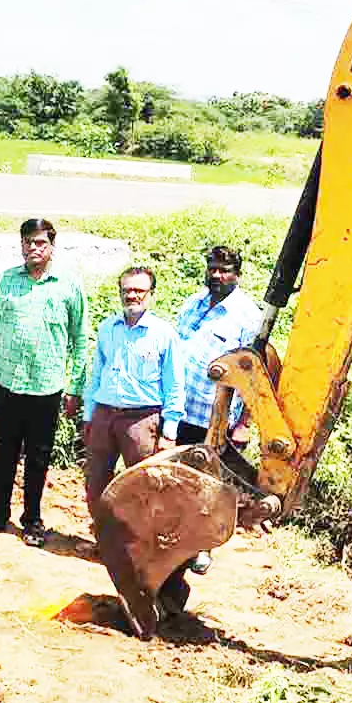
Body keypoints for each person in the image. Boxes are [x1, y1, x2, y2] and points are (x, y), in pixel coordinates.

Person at [0, 218, 88, 547]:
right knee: (3, 452)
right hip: (6, 385)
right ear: (21, 245)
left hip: (46, 389)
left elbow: (80, 339)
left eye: (40, 243)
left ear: (52, 247)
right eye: (28, 242)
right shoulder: (4, 282)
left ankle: (32, 520)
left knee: (38, 456)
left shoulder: (68, 286)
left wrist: (74, 387)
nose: (34, 248)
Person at [170, 245, 262, 574]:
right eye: (212, 268)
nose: (217, 275)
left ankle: (202, 547)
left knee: (208, 483)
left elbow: (255, 373)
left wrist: (244, 422)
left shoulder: (248, 316)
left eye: (224, 270)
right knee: (175, 479)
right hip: (177, 408)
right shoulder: (192, 303)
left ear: (237, 274)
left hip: (213, 416)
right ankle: (172, 541)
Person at [81, 267, 185, 508]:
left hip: (142, 421)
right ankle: (103, 539)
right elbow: (96, 374)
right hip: (105, 416)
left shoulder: (164, 334)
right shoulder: (108, 328)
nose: (132, 296)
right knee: (96, 482)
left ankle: (139, 545)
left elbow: (175, 384)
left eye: (139, 290)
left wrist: (169, 432)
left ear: (151, 295)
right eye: (127, 290)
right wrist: (89, 416)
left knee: (144, 487)